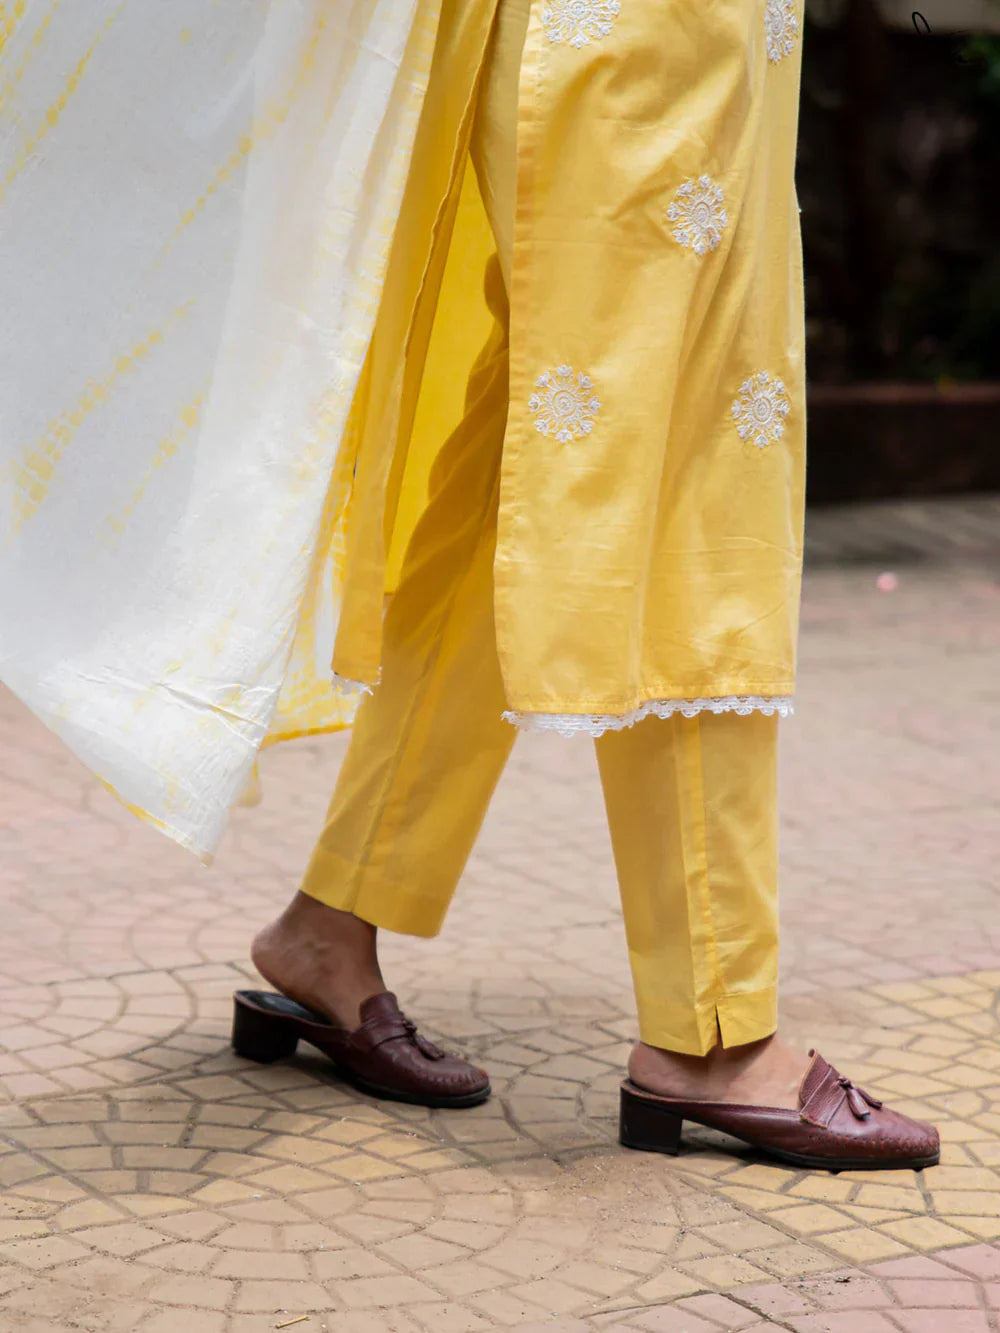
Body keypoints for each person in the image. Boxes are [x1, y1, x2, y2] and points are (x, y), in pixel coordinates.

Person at [233, 0, 940, 1171]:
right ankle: (710, 1031)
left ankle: (332, 918)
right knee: (681, 466)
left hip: (632, 37)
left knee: (533, 460)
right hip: (646, 33)